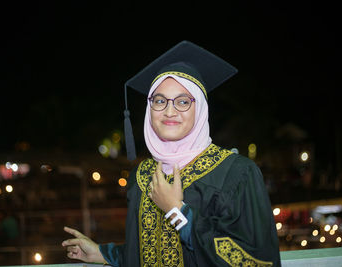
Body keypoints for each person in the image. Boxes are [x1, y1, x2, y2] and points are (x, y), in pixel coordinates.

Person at [62, 41, 281, 266]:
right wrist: (102, 253)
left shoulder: (236, 173)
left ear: (201, 110)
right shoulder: (142, 175)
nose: (169, 111)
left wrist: (178, 212)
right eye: (159, 100)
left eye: (183, 101)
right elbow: (145, 252)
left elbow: (254, 261)